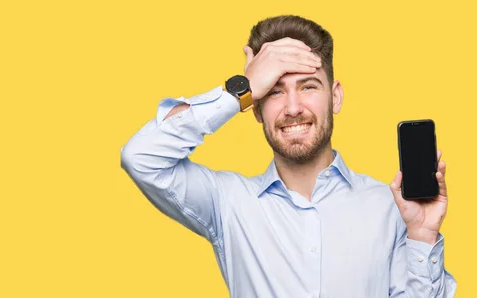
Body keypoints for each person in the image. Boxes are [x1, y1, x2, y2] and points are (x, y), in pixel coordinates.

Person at [120, 15, 457, 297]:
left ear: (335, 97)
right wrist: (241, 88)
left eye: (308, 86)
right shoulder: (229, 203)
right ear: (255, 108)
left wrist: (423, 236)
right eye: (275, 90)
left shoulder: (391, 209)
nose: (293, 108)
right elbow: (141, 157)